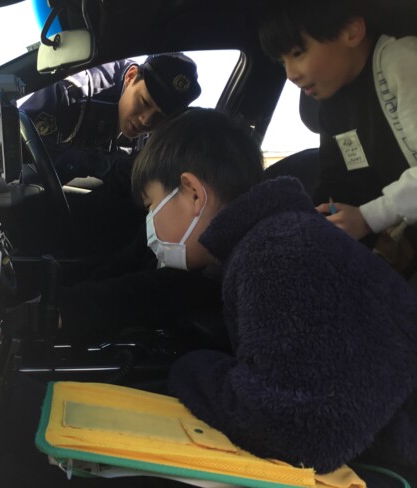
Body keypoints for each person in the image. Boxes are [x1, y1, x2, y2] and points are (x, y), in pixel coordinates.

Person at [132, 107, 417, 486]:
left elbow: (300, 430)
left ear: (194, 193)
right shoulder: (275, 238)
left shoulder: (273, 252)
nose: (149, 224)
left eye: (151, 206)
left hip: (393, 467)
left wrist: (189, 370)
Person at [257, 0, 417, 275]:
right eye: (282, 62)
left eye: (298, 53)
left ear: (352, 32)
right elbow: (338, 183)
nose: (290, 74)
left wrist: (367, 217)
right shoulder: (331, 106)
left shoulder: (402, 61)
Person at [20, 53, 201, 256]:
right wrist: (86, 160)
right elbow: (14, 148)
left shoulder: (157, 134)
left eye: (160, 116)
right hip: (26, 198)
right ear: (131, 77)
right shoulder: (72, 93)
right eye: (144, 102)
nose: (146, 121)